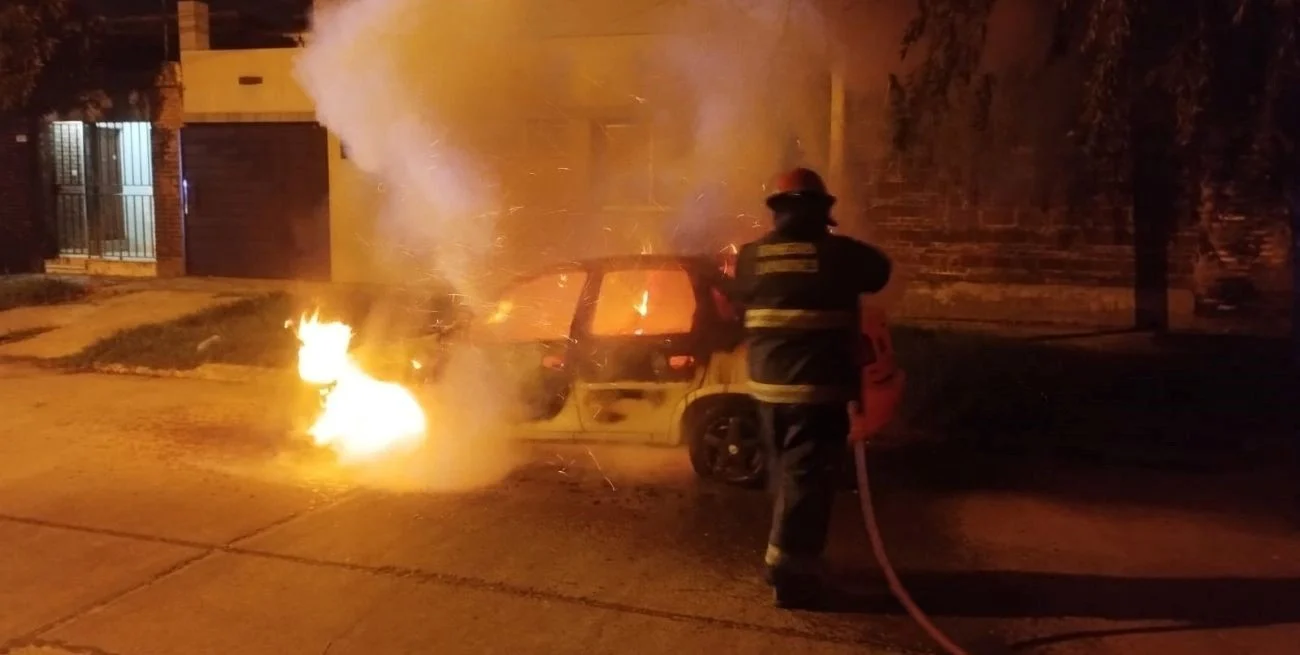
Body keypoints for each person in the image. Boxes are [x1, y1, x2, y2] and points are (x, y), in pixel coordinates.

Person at [731, 167, 893, 609]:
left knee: (785, 478)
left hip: (766, 391)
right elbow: (880, 271)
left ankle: (788, 557)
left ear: (776, 212)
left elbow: (739, 295)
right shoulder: (840, 255)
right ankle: (792, 575)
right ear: (822, 212)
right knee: (809, 483)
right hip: (816, 392)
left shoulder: (749, 257)